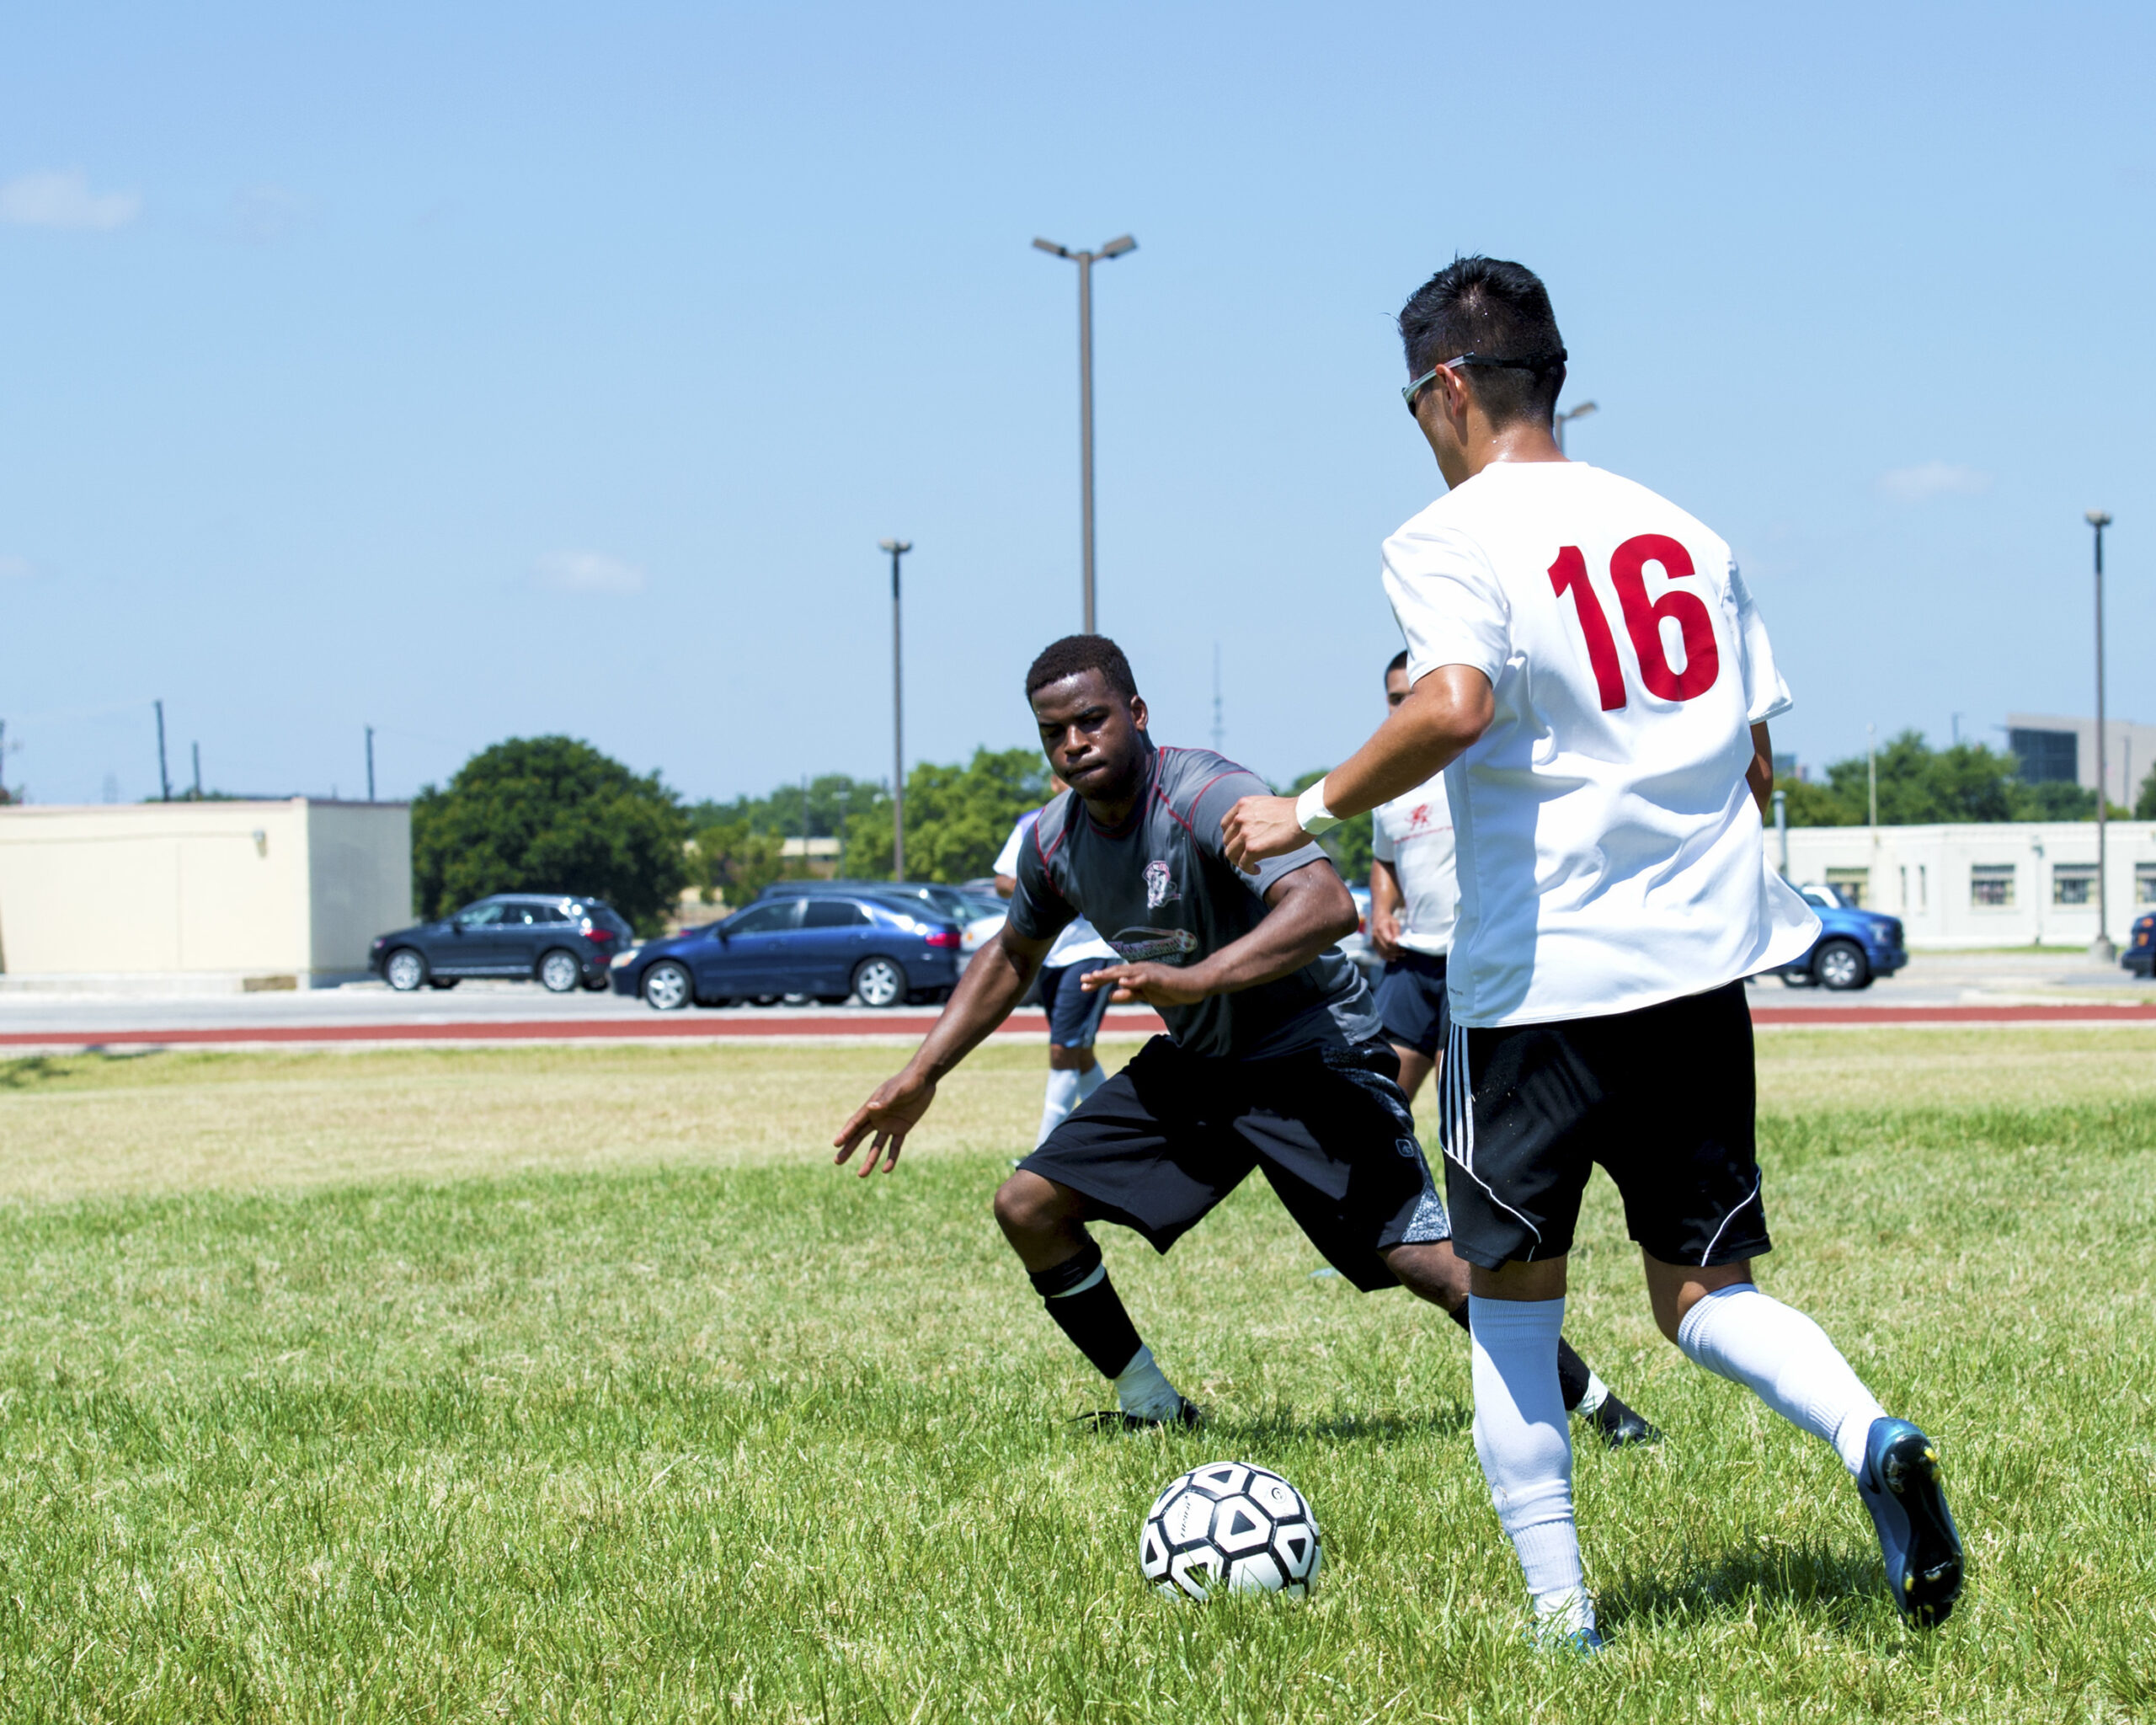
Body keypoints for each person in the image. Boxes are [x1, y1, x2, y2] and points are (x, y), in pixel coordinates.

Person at [1220, 256, 1963, 1647]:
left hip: (1534, 986)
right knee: (1702, 1290)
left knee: (1510, 1310)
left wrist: (1307, 804)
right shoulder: (1686, 532)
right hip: (1697, 973)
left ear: (1445, 388)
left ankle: (1566, 1627)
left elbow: (1451, 700)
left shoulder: (1446, 534)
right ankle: (1869, 1434)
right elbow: (1750, 765)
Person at [835, 633, 1647, 1444]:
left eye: (1091, 720)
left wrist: (1197, 980)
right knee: (1028, 1207)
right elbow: (1013, 953)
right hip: (1204, 1065)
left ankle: (1603, 1410)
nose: (1075, 743)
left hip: (1313, 1052)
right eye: (1055, 732)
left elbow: (1327, 906)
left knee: (1424, 1263)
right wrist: (923, 1073)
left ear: (1137, 713)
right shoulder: (1055, 840)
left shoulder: (1204, 794)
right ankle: (1154, 1407)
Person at [993, 778, 1122, 1146]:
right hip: (1049, 953)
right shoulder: (1032, 824)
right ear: (1053, 780)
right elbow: (1002, 881)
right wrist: (1040, 883)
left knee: (1062, 1048)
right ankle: (1113, 1134)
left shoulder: (1110, 822)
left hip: (1092, 951)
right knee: (1078, 1052)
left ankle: (1044, 1151)